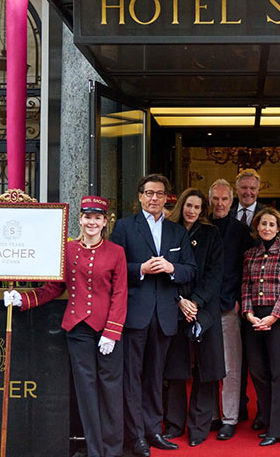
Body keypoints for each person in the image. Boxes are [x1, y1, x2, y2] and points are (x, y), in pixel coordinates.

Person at [4, 196, 127, 457]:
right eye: (87, 217)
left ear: (105, 222)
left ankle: (113, 450)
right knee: (87, 392)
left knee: (111, 389)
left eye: (97, 218)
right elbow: (53, 288)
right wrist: (23, 298)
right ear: (80, 219)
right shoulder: (67, 250)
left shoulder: (117, 252)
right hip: (78, 329)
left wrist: (112, 332)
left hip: (107, 331)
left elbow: (120, 294)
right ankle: (96, 451)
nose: (92, 222)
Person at [111, 174, 197, 455]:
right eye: (149, 193)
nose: (154, 198)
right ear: (140, 196)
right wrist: (141, 269)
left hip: (164, 315)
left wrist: (172, 269)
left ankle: (153, 430)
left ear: (166, 198)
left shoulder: (177, 232)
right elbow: (115, 266)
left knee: (155, 376)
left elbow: (190, 269)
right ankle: (134, 436)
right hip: (135, 313)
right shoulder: (124, 227)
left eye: (160, 194)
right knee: (132, 376)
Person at [163, 188, 226, 447]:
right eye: (189, 205)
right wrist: (180, 302)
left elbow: (215, 273)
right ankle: (175, 425)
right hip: (174, 307)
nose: (192, 211)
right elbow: (164, 269)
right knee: (175, 369)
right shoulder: (169, 231)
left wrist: (196, 302)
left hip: (205, 308)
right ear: (182, 206)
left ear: (203, 211)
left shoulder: (212, 234)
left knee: (206, 368)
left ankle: (199, 427)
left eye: (198, 207)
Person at [240, 208, 280, 447]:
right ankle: (266, 418)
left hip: (278, 318)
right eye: (263, 223)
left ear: (279, 228)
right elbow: (245, 285)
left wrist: (274, 317)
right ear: (257, 226)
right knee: (257, 370)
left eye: (271, 224)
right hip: (254, 318)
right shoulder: (250, 254)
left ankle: (278, 428)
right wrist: (249, 313)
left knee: (278, 372)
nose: (266, 228)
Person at [207, 178, 247, 440]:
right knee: (206, 364)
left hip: (228, 304)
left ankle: (230, 418)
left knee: (231, 365)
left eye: (224, 199)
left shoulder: (242, 231)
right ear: (210, 201)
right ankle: (210, 415)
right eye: (216, 199)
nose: (220, 204)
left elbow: (246, 269)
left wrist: (239, 299)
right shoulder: (200, 226)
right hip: (201, 305)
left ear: (232, 202)